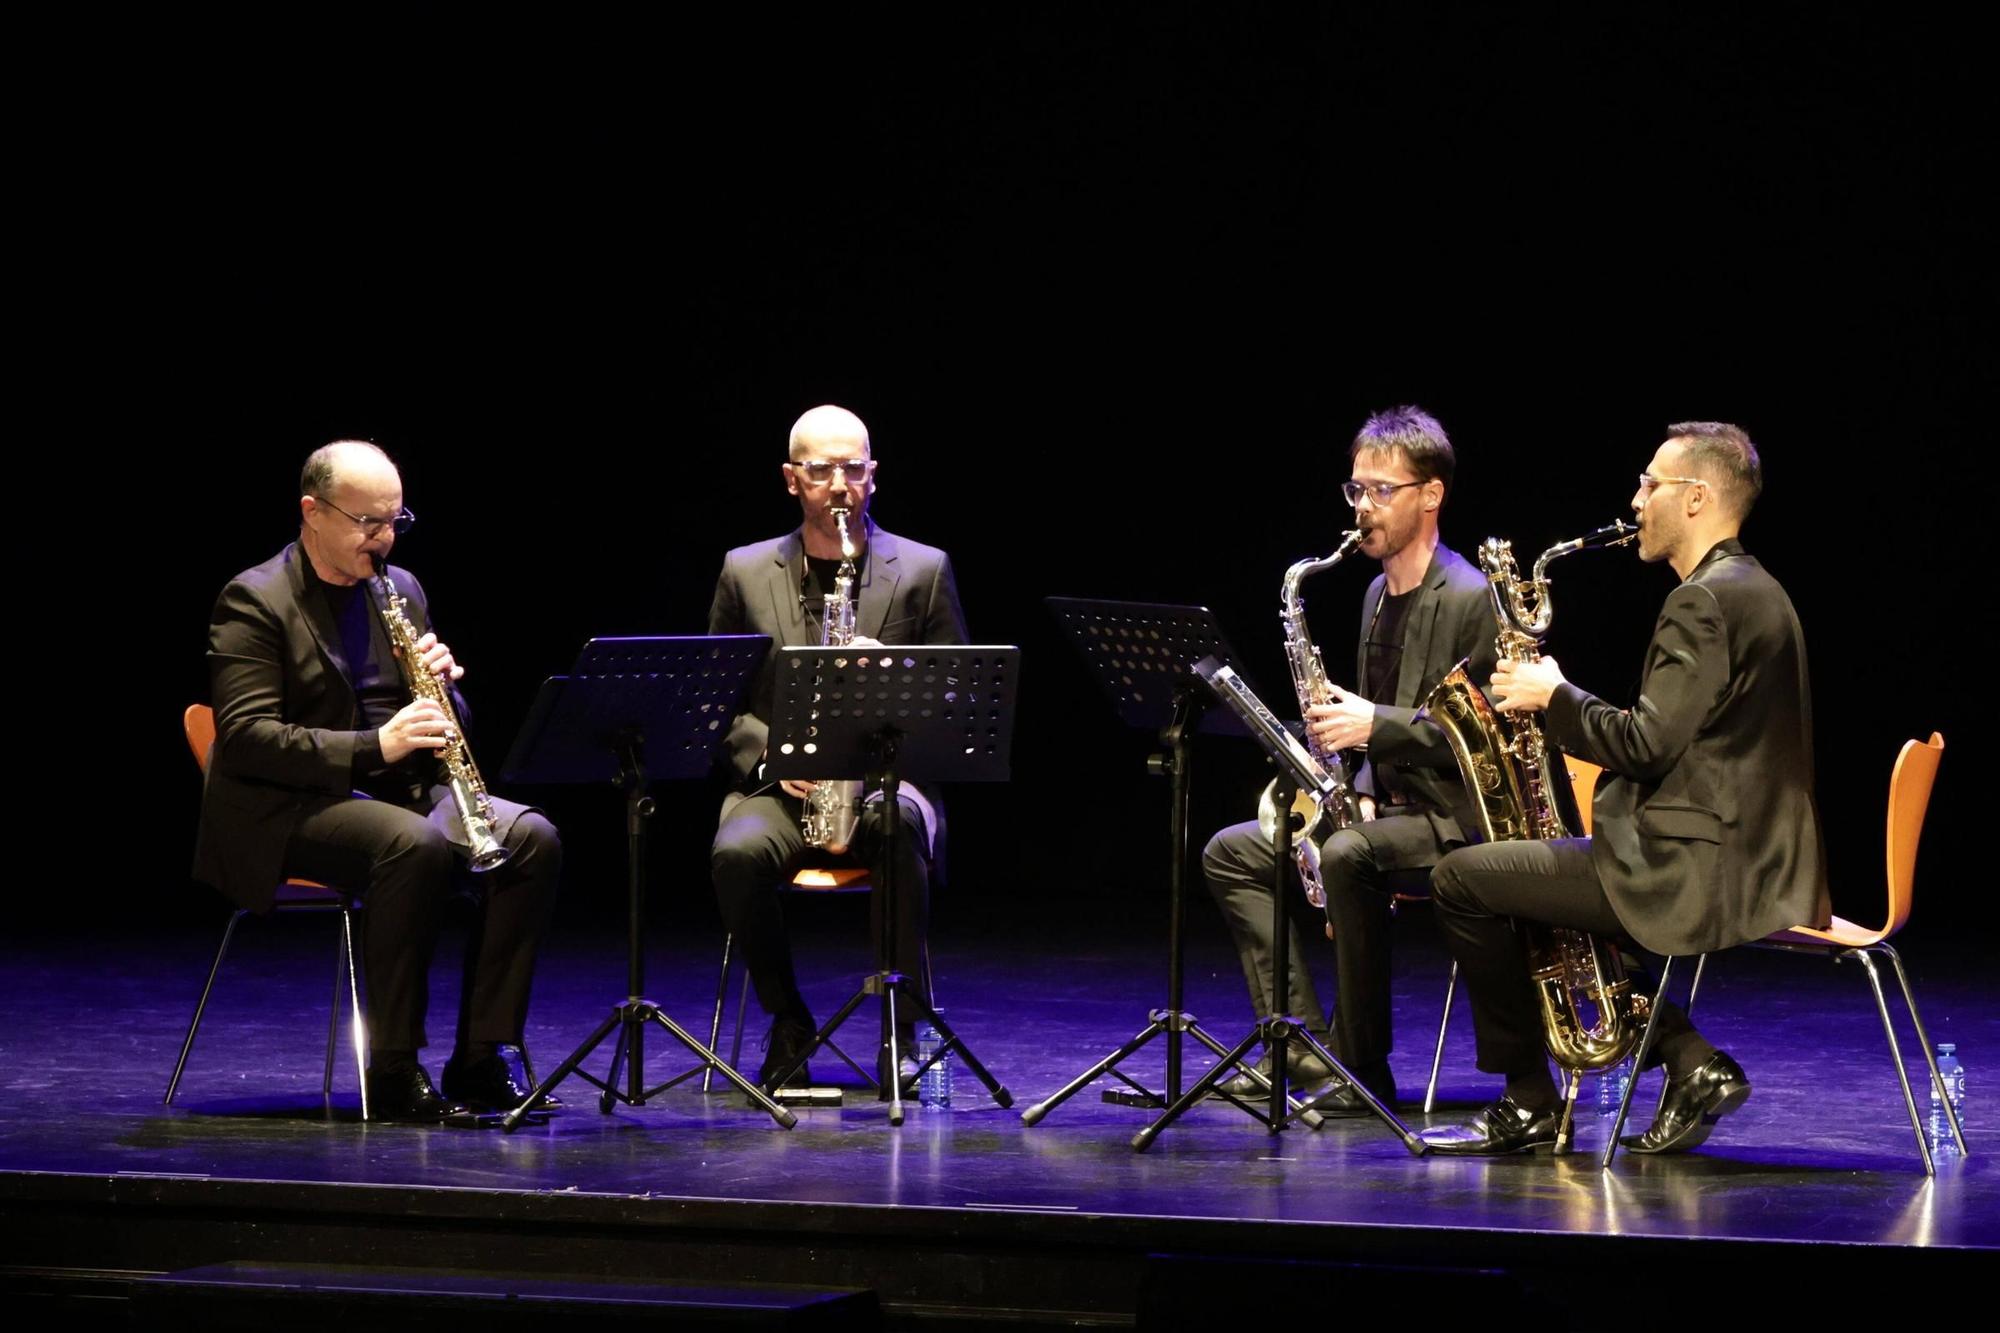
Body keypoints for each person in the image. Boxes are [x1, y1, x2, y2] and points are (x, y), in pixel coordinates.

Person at [1422, 422, 1827, 1155]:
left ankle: (1528, 1097)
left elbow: (1647, 744)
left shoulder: (1702, 602)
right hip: (1750, 858)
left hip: (1696, 869)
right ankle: (1688, 1057)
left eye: (1650, 484)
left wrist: (1554, 696)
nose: (1636, 500)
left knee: (1459, 879)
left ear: (1697, 497)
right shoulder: (1758, 589)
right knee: (1539, 885)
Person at [194, 440, 563, 1124]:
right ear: (312, 511)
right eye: (368, 522)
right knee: (411, 846)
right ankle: (393, 1067)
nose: (384, 537)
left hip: (399, 794)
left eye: (395, 520)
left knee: (532, 837)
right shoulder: (254, 600)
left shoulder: (400, 589)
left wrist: (445, 692)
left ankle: (481, 1055)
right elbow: (245, 738)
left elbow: (447, 734)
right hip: (288, 807)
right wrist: (376, 744)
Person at [1202, 406, 1497, 1112]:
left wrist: (1373, 727)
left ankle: (1363, 1062)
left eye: (1380, 491)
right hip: (1383, 810)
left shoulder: (1470, 597)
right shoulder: (1372, 594)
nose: (1363, 508)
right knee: (1231, 851)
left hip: (1455, 819)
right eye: (1356, 490)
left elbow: (1478, 741)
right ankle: (1300, 1049)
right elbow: (1365, 732)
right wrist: (1354, 784)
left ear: (1431, 495)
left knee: (1347, 854)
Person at [708, 405, 968, 1090]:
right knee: (734, 852)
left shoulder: (924, 569)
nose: (839, 484)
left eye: (853, 468)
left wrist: (890, 675)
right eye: (821, 470)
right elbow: (720, 705)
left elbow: (956, 702)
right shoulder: (742, 571)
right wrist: (775, 758)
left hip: (887, 780)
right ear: (792, 479)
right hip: (784, 786)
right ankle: (789, 1017)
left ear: (873, 476)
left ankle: (900, 1028)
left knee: (899, 822)